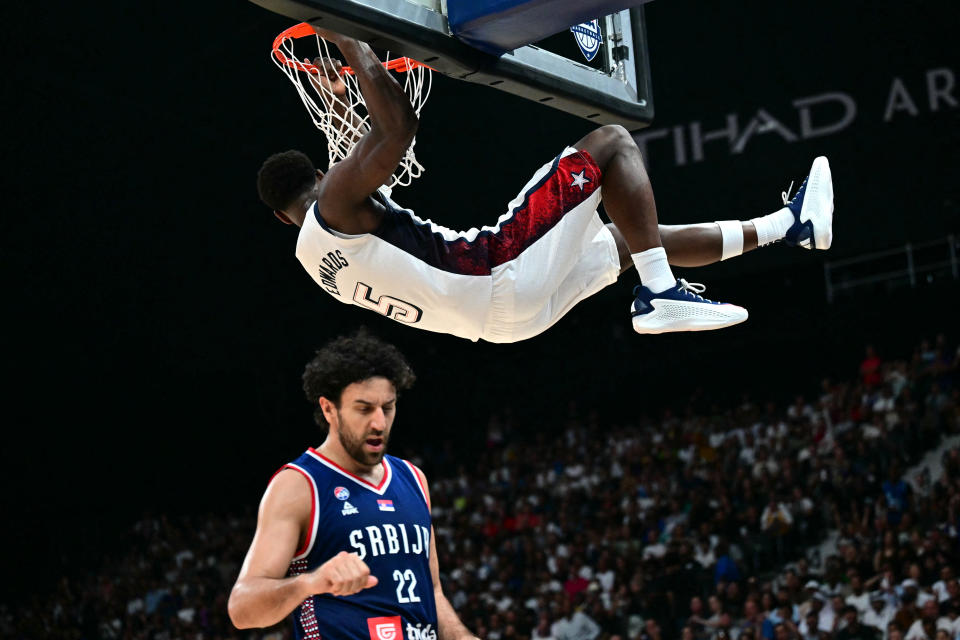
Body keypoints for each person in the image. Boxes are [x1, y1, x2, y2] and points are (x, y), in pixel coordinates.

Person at [258, 28, 834, 343]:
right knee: (610, 142)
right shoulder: (333, 198)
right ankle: (660, 294)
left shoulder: (313, 259)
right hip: (497, 270)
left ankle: (790, 226)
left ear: (282, 218)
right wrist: (352, 41)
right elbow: (398, 131)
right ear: (316, 175)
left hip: (504, 325)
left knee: (629, 240)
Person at [228, 330, 477, 640]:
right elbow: (242, 608)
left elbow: (433, 591)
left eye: (388, 407)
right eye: (364, 409)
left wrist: (461, 636)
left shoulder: (413, 478)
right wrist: (310, 582)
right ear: (329, 408)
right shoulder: (298, 484)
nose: (379, 423)